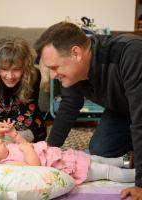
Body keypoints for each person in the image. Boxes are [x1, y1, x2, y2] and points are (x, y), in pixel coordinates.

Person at [34, 21, 142, 198]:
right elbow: (69, 106)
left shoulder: (130, 54)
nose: (52, 75)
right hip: (123, 109)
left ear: (76, 53)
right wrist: (47, 153)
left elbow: (141, 120)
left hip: (139, 110)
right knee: (101, 149)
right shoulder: (74, 73)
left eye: (55, 67)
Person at [0, 128, 135, 185]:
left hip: (63, 156)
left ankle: (124, 161)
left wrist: (15, 135)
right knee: (104, 170)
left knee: (96, 158)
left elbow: (22, 144)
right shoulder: (7, 167)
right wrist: (28, 150)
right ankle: (135, 176)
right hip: (64, 167)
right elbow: (34, 168)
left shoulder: (6, 150)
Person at [0, 37, 47, 142]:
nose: (10, 76)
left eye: (17, 69)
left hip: (25, 126)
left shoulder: (34, 74)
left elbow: (26, 116)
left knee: (6, 142)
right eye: (4, 69)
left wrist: (8, 134)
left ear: (25, 67)